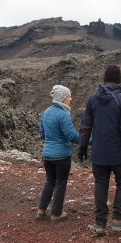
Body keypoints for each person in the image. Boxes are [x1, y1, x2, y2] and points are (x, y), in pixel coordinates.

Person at [79, 65, 121, 236]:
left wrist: (82, 147)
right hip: (118, 153)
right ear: (119, 80)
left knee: (101, 184)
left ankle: (100, 223)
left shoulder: (92, 99)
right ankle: (119, 220)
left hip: (98, 153)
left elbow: (85, 126)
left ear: (104, 79)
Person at [36, 85, 80, 224]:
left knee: (50, 181)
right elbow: (72, 136)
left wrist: (51, 142)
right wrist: (89, 141)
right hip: (61, 156)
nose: (70, 99)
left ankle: (41, 210)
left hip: (47, 155)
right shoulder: (63, 115)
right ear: (62, 98)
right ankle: (56, 214)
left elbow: (42, 133)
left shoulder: (46, 112)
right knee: (61, 183)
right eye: (68, 96)